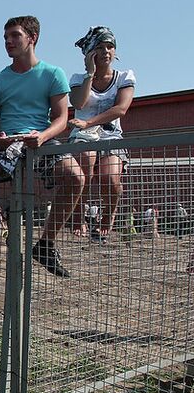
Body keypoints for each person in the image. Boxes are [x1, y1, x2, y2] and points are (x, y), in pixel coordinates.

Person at [0, 16, 81, 277]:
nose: (8, 42)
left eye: (15, 36)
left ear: (32, 38)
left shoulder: (52, 73)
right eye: (5, 37)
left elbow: (61, 118)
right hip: (7, 139)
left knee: (76, 177)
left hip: (41, 138)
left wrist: (44, 135)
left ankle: (45, 245)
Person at [67, 26, 135, 240]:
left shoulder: (124, 76)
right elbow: (79, 102)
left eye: (109, 46)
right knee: (84, 166)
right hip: (83, 135)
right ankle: (78, 214)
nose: (106, 51)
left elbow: (120, 109)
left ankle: (108, 214)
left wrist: (88, 122)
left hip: (109, 134)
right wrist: (90, 73)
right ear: (90, 53)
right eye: (99, 47)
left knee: (110, 177)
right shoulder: (78, 78)